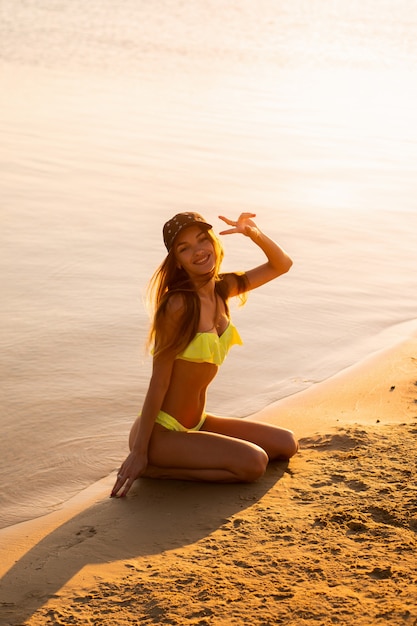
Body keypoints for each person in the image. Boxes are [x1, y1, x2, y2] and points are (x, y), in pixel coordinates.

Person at [111, 212, 297, 498]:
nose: (198, 251)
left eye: (201, 240)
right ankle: (155, 470)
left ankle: (178, 457)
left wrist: (253, 233)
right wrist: (139, 452)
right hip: (162, 433)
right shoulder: (177, 305)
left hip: (198, 421)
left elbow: (282, 265)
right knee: (255, 463)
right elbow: (158, 382)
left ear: (213, 242)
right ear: (177, 262)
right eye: (184, 248)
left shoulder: (223, 288)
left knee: (286, 444)